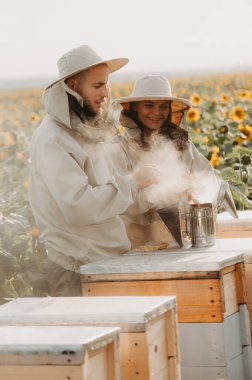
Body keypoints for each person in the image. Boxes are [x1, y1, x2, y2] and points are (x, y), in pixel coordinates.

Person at [28, 46, 160, 296]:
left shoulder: (94, 130)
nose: (106, 94)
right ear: (72, 85)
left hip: (108, 262)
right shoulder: (52, 138)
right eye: (98, 86)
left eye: (107, 84)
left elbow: (118, 197)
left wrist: (162, 190)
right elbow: (78, 206)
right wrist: (133, 183)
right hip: (74, 270)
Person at [113, 75, 219, 247]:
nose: (157, 113)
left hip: (183, 244)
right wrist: (169, 191)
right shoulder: (119, 148)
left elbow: (207, 180)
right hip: (137, 248)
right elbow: (118, 202)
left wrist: (197, 190)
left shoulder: (183, 145)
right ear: (134, 108)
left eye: (163, 107)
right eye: (149, 105)